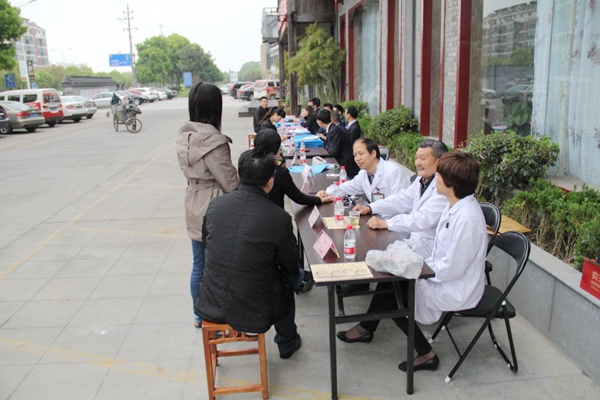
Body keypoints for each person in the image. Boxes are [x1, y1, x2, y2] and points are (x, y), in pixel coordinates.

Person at [337, 151, 487, 374]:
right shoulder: (454, 205)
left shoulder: (467, 219)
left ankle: (426, 354)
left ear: (451, 182)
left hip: (455, 285)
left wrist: (416, 271)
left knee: (394, 296)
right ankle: (366, 328)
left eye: (439, 175)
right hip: (438, 272)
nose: (435, 179)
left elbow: (451, 268)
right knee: (391, 282)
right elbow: (442, 257)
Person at [196, 150, 303, 359]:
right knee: (290, 280)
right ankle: (287, 342)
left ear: (238, 175)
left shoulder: (215, 205)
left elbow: (207, 243)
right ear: (270, 180)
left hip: (211, 297)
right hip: (254, 307)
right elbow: (289, 263)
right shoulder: (278, 217)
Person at [175, 82, 239, 329]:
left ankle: (198, 315)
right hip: (214, 205)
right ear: (215, 107)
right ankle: (216, 314)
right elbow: (229, 181)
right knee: (218, 265)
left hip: (193, 199)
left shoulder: (184, 137)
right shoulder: (213, 140)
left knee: (198, 264)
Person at [353, 139, 449, 259]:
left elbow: (424, 218)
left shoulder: (444, 188)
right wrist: (370, 208)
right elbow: (402, 199)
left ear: (439, 161)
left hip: (431, 246)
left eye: (423, 158)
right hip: (415, 238)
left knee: (378, 252)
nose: (418, 163)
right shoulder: (421, 180)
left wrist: (387, 223)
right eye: (416, 158)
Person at [254, 128, 334, 209]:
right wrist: (318, 199)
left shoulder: (250, 167)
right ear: (276, 149)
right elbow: (299, 198)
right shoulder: (279, 173)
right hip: (275, 214)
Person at [325, 138, 410, 206]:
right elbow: (347, 187)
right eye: (355, 155)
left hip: (395, 219)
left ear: (373, 154)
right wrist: (326, 193)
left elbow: (401, 203)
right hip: (377, 217)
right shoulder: (363, 173)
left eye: (361, 153)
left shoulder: (394, 172)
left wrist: (371, 208)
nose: (357, 158)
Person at [316, 109, 359, 177]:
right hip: (340, 159)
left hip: (343, 162)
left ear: (320, 122)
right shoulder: (332, 128)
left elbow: (334, 151)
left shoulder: (334, 130)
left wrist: (322, 156)